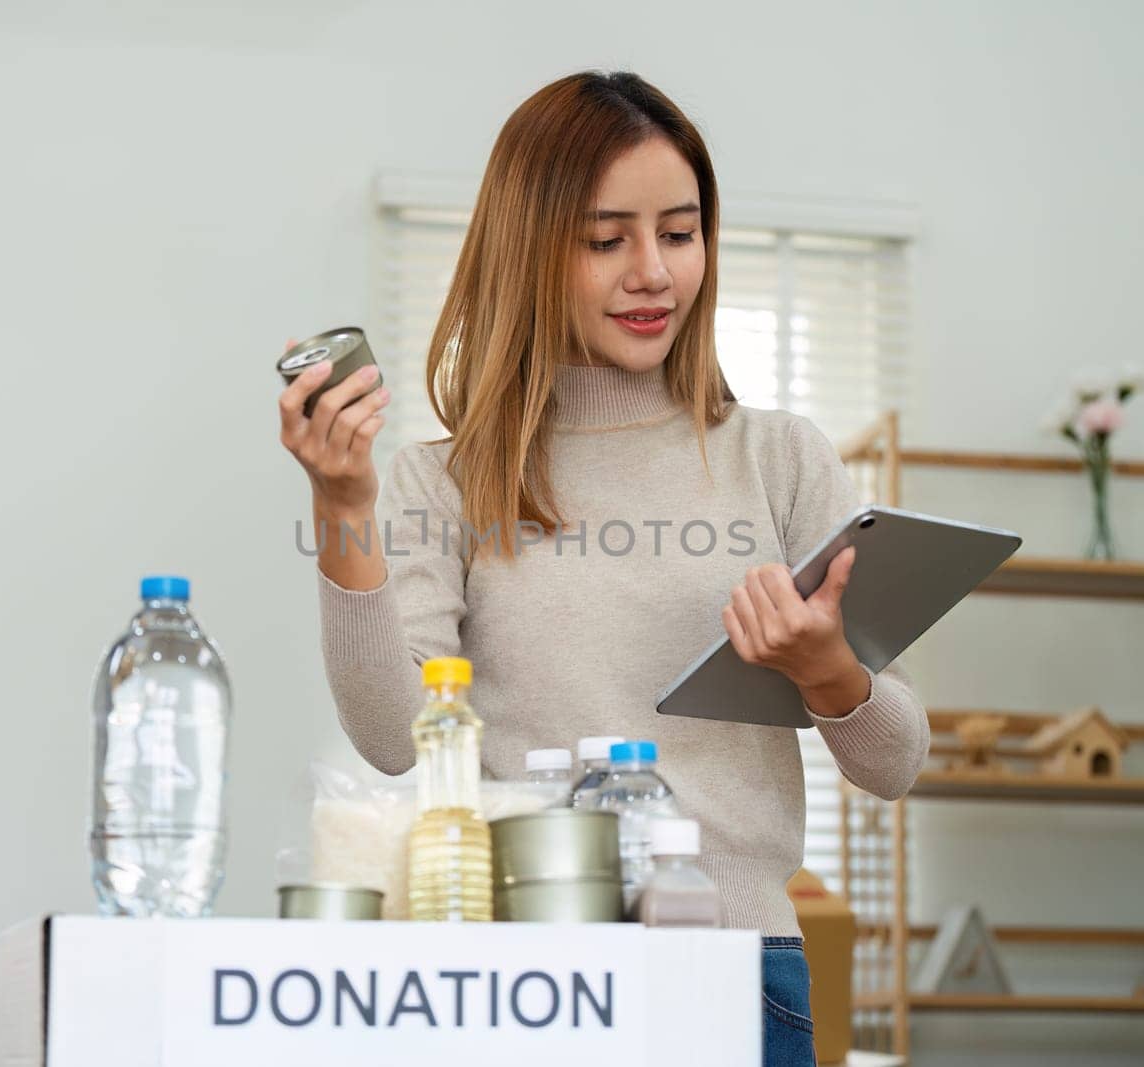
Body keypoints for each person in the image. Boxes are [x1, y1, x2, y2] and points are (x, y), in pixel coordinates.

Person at [278, 70, 929, 1067]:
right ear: (531, 249)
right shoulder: (437, 481)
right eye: (604, 239)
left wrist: (825, 667)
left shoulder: (780, 458)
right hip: (523, 988)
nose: (652, 272)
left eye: (678, 231)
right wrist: (342, 508)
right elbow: (392, 738)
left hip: (738, 969)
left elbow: (895, 762)